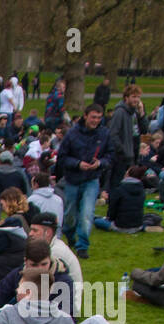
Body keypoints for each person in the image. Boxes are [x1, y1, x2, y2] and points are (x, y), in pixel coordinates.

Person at [55, 104, 110, 258]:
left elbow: (110, 156)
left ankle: (82, 245)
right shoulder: (72, 134)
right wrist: (78, 164)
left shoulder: (104, 134)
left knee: (87, 213)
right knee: (70, 215)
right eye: (93, 117)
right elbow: (62, 158)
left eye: (99, 118)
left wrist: (100, 163)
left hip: (92, 179)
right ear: (85, 116)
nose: (96, 121)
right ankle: (71, 236)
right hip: (72, 179)